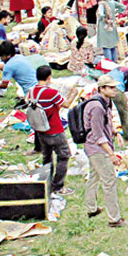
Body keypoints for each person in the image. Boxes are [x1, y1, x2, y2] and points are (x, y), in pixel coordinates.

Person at [85, 75, 126, 227]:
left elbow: (106, 123)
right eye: (111, 87)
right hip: (97, 149)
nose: (114, 90)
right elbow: (97, 134)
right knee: (109, 181)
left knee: (94, 177)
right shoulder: (96, 106)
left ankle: (92, 208)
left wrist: (116, 133)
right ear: (101, 89)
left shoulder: (106, 102)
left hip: (96, 147)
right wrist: (111, 154)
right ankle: (114, 219)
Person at [31, 65, 78, 197]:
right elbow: (67, 105)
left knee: (47, 158)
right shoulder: (51, 93)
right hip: (55, 129)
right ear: (49, 77)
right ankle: (58, 186)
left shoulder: (32, 92)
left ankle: (46, 183)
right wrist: (73, 93)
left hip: (41, 130)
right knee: (63, 156)